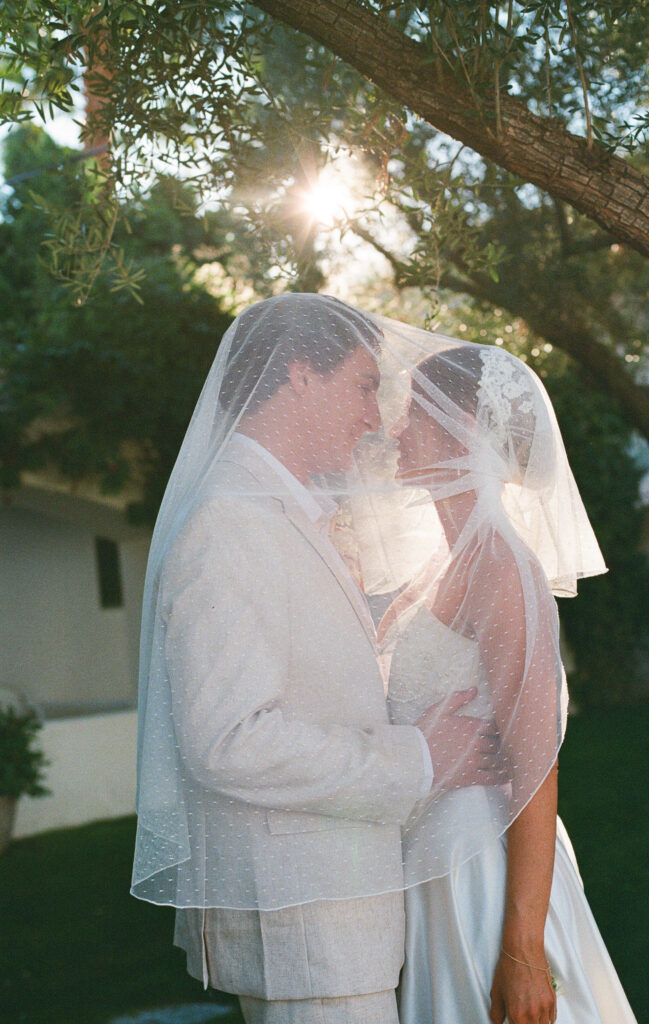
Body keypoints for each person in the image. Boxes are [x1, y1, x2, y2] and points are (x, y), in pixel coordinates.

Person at [130, 294, 502, 1024]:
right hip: (303, 930)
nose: (375, 415)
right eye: (365, 384)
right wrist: (418, 759)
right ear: (299, 373)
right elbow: (229, 743)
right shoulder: (227, 524)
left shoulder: (283, 512)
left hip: (334, 922)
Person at [375, 341, 639, 1024]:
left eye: (417, 412)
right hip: (434, 863)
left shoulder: (501, 569)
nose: (397, 428)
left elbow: (534, 764)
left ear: (466, 428)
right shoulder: (439, 566)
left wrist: (520, 947)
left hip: (483, 875)